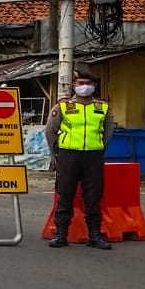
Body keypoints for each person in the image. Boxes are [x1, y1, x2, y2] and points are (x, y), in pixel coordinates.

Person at [44, 70, 116, 250]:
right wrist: (57, 152)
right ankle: (61, 234)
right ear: (74, 85)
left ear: (95, 86)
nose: (85, 86)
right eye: (81, 82)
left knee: (93, 196)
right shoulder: (62, 107)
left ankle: (95, 235)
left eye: (89, 83)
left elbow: (108, 131)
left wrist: (99, 148)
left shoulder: (102, 108)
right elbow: (50, 131)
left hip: (93, 157)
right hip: (68, 156)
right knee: (65, 194)